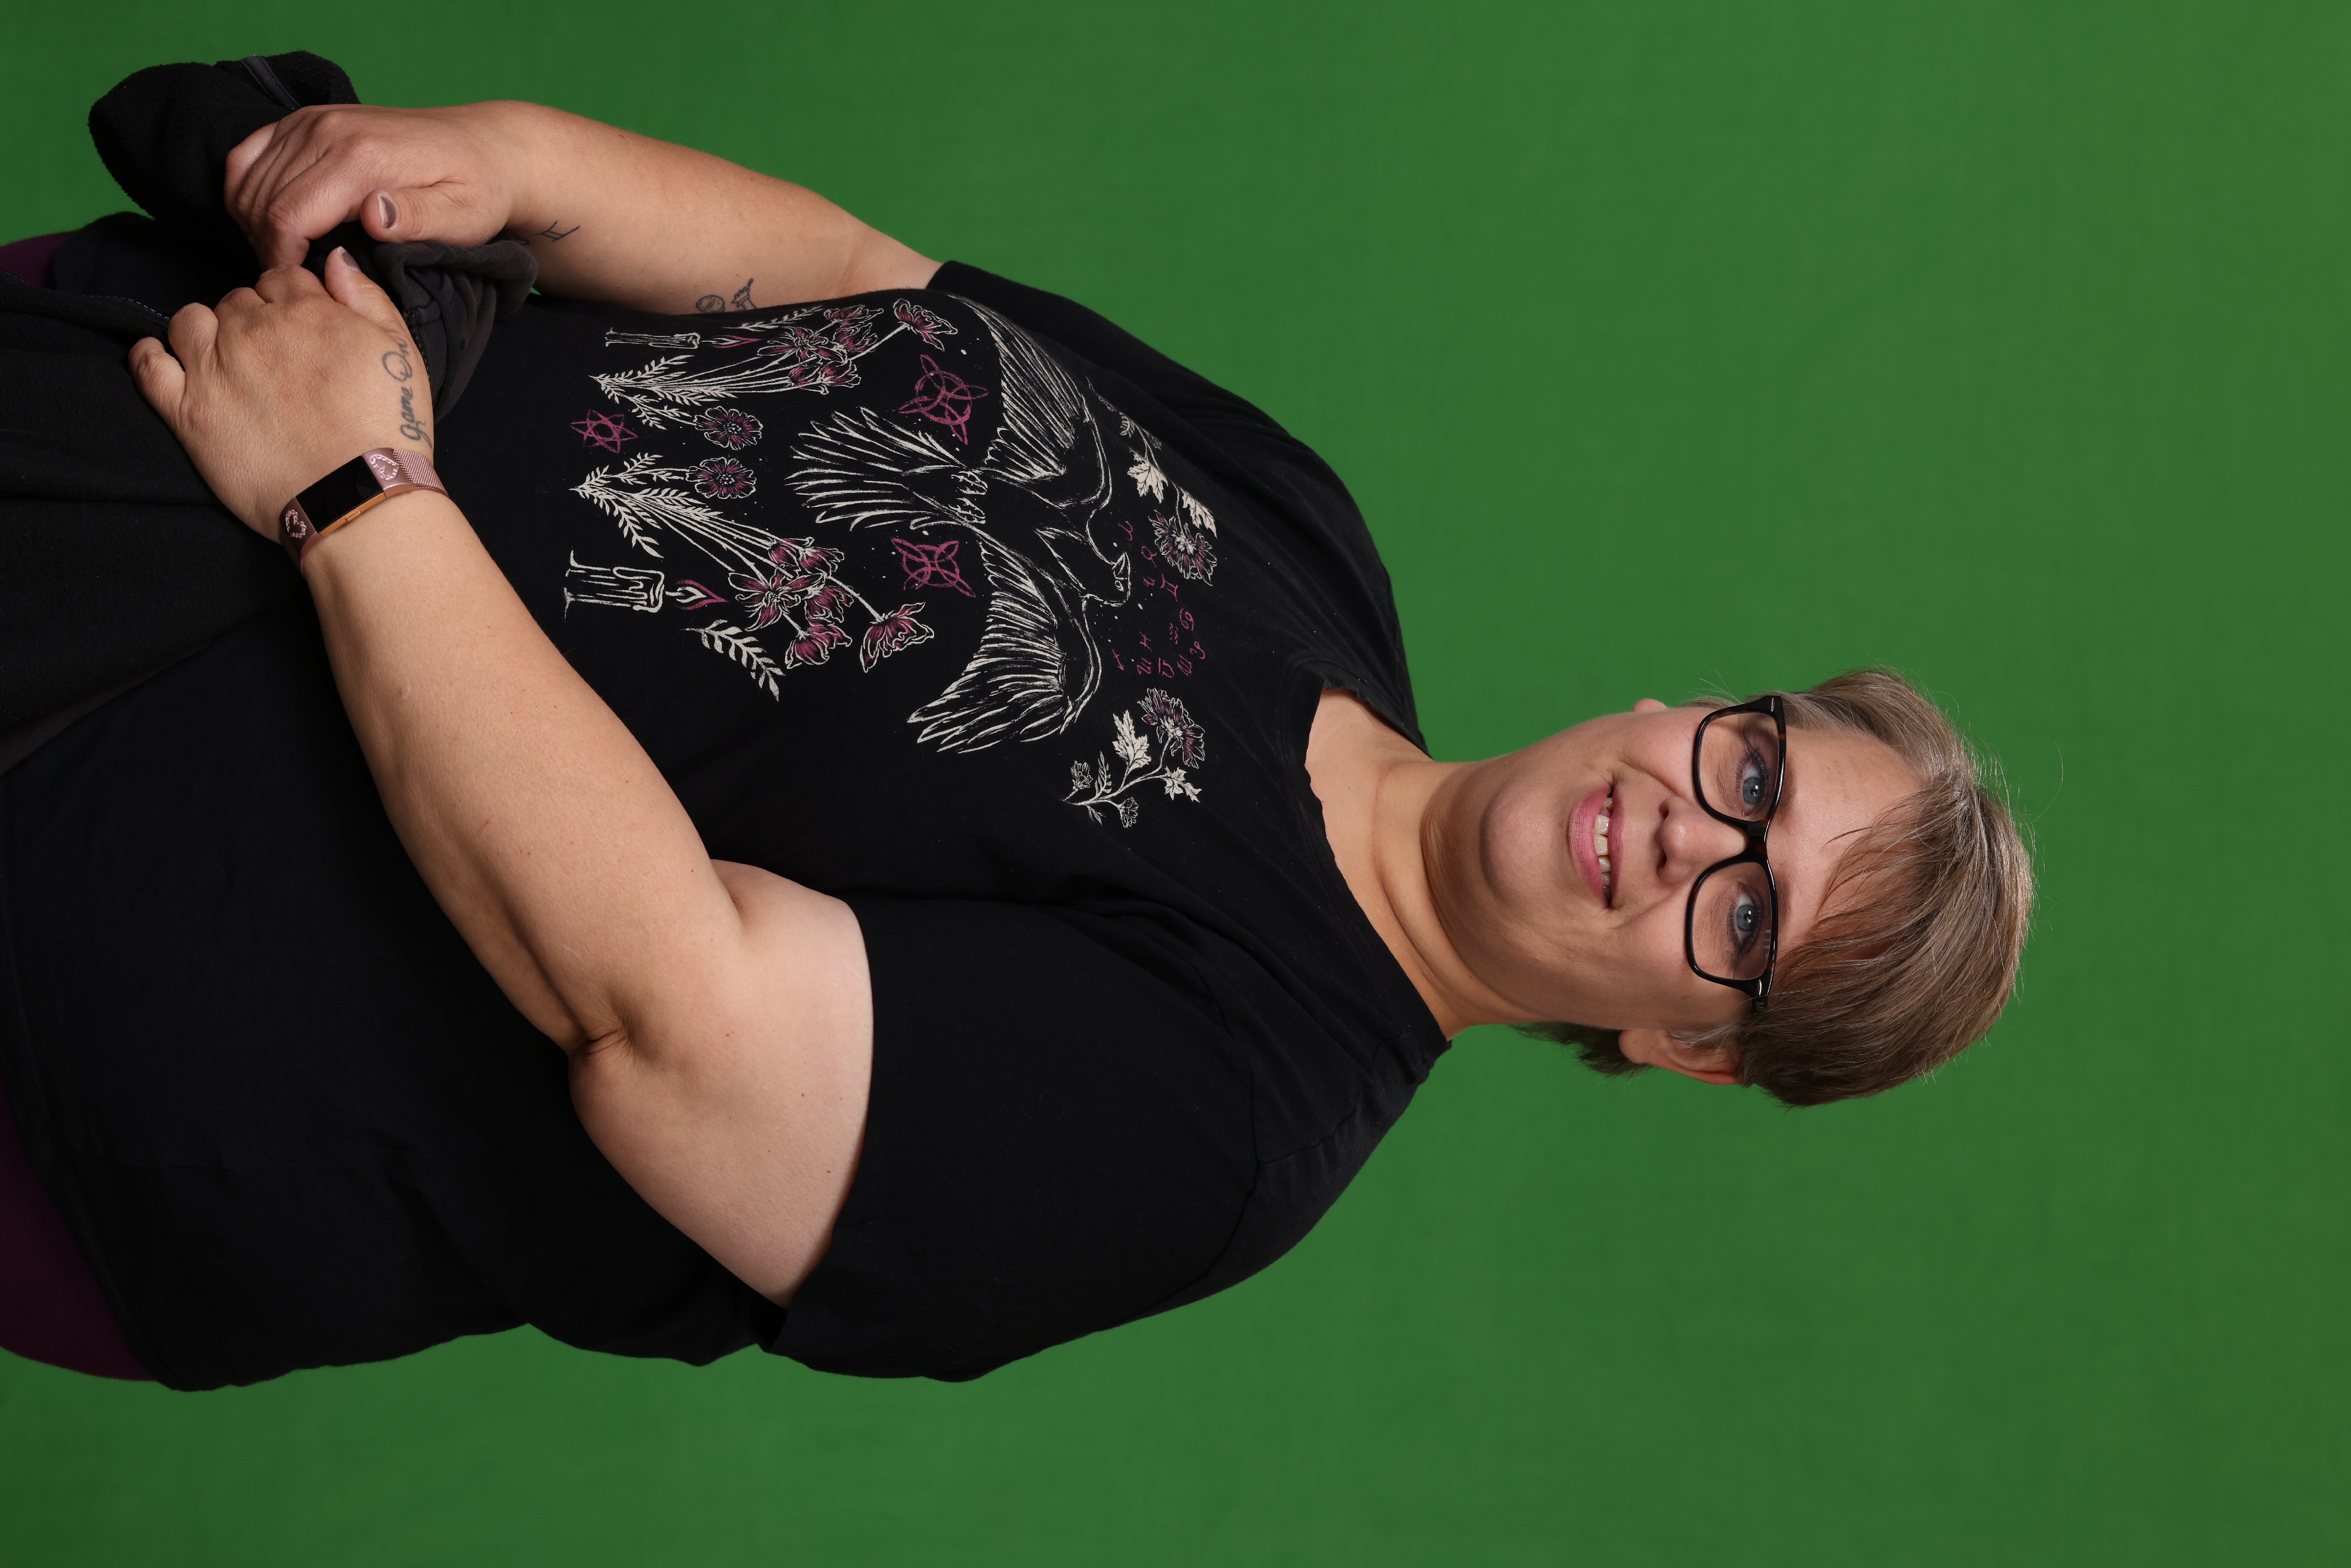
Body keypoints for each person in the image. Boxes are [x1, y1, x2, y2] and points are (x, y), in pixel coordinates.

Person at [0, 87, 2032, 1391]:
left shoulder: (1230, 1125)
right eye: (1756, 777)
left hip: (91, 911)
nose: (1692, 836)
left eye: (1746, 922)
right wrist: (514, 164)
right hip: (137, 420)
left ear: (1689, 1047)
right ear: (1699, 714)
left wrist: (356, 493)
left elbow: (676, 1018)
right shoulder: (1314, 538)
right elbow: (862, 278)